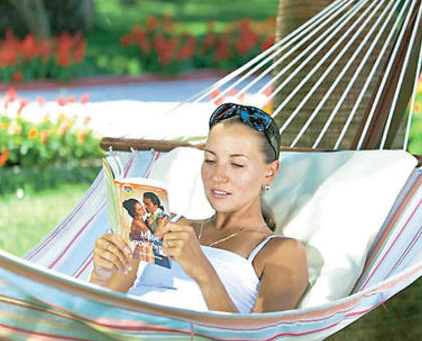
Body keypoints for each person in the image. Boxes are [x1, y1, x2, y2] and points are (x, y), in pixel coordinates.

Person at [90, 104, 309, 314]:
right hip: (115, 332)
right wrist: (100, 276)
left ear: (269, 173)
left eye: (237, 164)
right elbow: (98, 309)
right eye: (210, 160)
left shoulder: (281, 252)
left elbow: (259, 339)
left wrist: (202, 271)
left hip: (172, 339)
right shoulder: (165, 224)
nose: (218, 176)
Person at [121, 198, 153, 262]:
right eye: (139, 209)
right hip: (143, 253)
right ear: (134, 213)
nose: (143, 210)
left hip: (147, 251)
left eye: (142, 207)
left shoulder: (141, 220)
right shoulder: (136, 223)